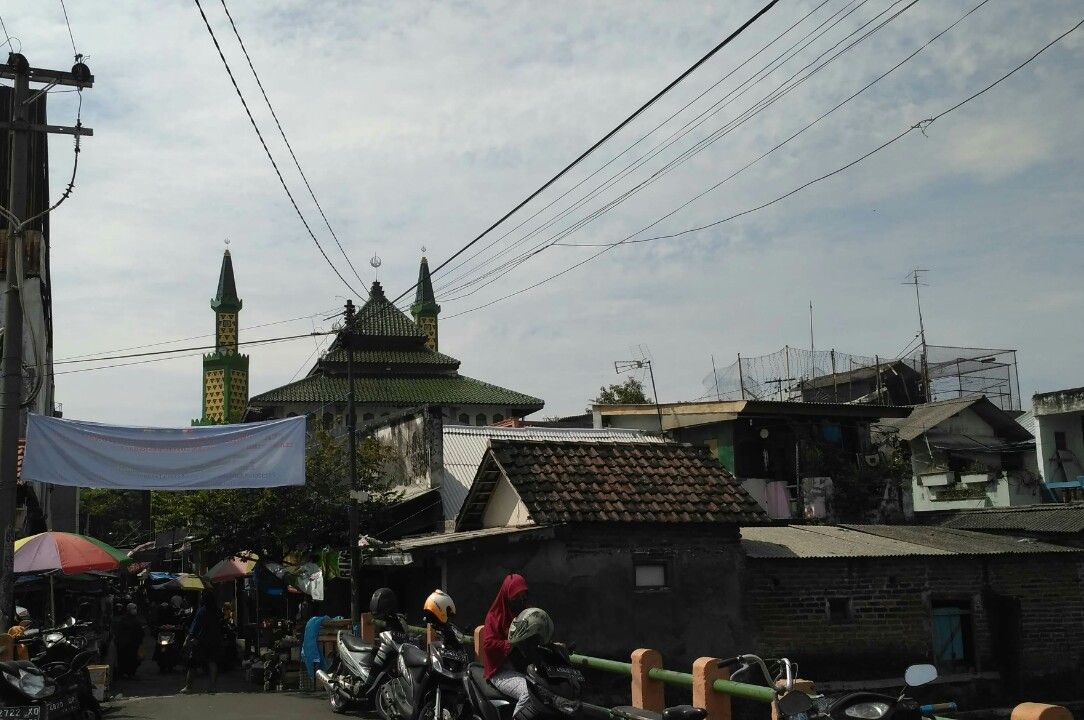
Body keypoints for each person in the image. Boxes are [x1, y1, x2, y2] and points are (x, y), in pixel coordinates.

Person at [482, 574, 531, 719]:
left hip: (525, 667)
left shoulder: (527, 614)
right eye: (516, 597)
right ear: (506, 597)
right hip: (501, 671)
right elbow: (488, 644)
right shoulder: (494, 617)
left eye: (524, 596)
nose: (521, 600)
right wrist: (509, 644)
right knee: (529, 692)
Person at [180, 592, 222, 694]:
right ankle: (213, 686)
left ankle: (188, 687)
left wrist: (188, 639)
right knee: (212, 662)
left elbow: (195, 627)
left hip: (200, 641)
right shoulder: (217, 611)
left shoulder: (202, 611)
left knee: (193, 664)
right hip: (214, 641)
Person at [115, 603, 145, 680]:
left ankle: (130, 673)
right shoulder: (124, 619)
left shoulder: (135, 619)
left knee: (134, 659)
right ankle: (125, 673)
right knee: (125, 659)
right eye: (133, 609)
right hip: (126, 644)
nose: (135, 610)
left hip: (133, 643)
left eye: (135, 608)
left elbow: (139, 631)